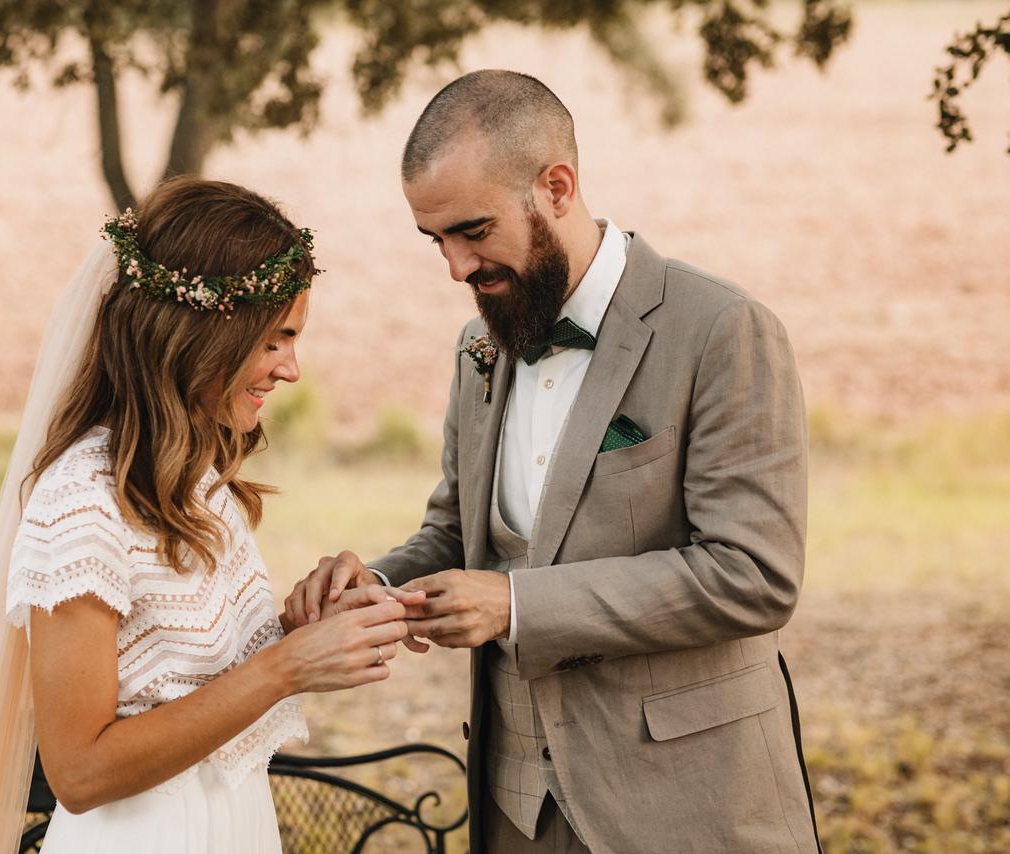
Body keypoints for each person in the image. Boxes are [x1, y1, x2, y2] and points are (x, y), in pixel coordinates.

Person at [286, 70, 820, 853]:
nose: (456, 268)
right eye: (436, 241)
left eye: (473, 230)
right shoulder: (478, 346)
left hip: (689, 808)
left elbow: (753, 574)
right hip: (515, 810)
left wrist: (517, 606)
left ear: (558, 187)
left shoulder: (720, 330)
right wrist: (378, 585)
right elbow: (458, 532)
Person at [0, 178, 417, 853]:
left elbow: (193, 683)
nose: (292, 368)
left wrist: (301, 626)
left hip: (235, 826)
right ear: (201, 336)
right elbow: (79, 770)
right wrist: (286, 667)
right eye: (275, 340)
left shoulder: (196, 480)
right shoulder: (82, 501)